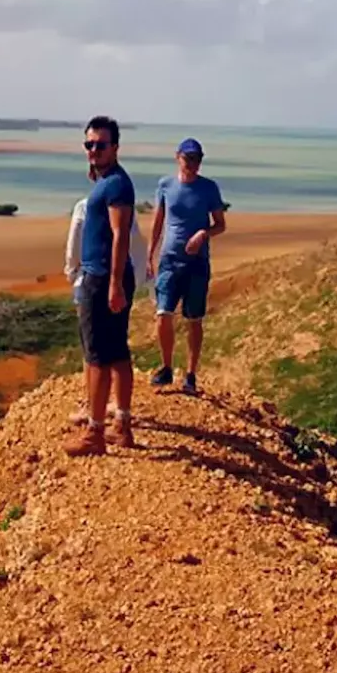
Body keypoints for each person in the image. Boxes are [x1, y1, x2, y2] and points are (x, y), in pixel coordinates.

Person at [64, 115, 137, 457]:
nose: (93, 149)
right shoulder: (108, 181)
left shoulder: (117, 185)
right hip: (109, 277)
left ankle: (95, 433)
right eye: (89, 144)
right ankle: (121, 424)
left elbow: (121, 235)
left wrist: (114, 285)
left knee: (96, 358)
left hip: (103, 278)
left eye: (100, 144)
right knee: (118, 352)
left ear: (115, 148)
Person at [147, 137, 226, 395]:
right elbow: (158, 221)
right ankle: (167, 367)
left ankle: (191, 374)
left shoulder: (209, 188)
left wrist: (203, 234)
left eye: (196, 159)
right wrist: (150, 255)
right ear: (177, 157)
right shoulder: (165, 185)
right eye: (187, 158)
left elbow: (220, 224)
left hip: (197, 262)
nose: (192, 163)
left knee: (194, 319)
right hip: (169, 260)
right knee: (163, 313)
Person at [64, 189, 147, 426]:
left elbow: (73, 249)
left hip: (93, 280)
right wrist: (134, 282)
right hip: (124, 282)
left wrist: (73, 276)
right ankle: (122, 415)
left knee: (92, 351)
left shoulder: (84, 206)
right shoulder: (125, 208)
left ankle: (93, 412)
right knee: (118, 347)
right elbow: (137, 248)